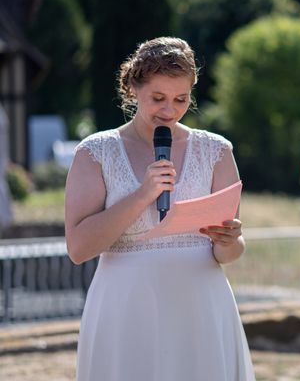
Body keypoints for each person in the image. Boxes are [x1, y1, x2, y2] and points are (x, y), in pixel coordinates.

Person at [65, 37, 255, 380]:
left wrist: (229, 240)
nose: (169, 110)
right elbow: (79, 248)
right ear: (133, 88)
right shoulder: (95, 153)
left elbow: (229, 252)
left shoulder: (216, 151)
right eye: (158, 98)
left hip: (201, 308)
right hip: (125, 309)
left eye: (181, 99)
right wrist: (142, 195)